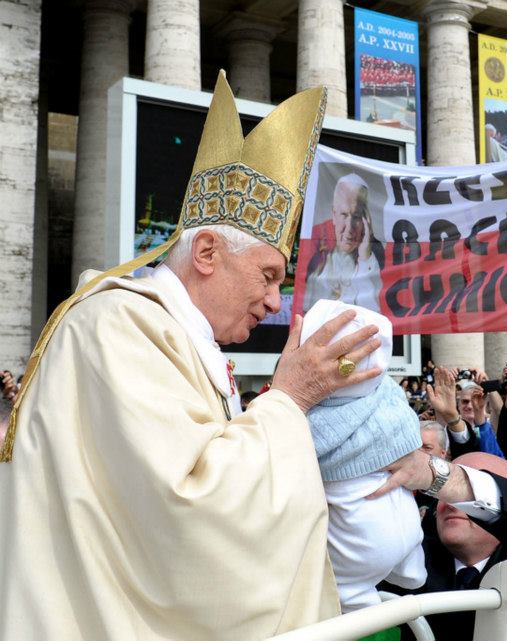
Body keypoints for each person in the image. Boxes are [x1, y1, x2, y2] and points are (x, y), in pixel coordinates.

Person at [0, 74, 386, 639]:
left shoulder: (168, 333)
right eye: (268, 276)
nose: (274, 301)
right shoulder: (118, 326)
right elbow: (191, 510)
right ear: (207, 252)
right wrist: (290, 397)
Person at [381, 451, 507, 641]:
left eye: (470, 495)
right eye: (442, 493)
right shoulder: (407, 556)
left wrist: (443, 478)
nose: (451, 501)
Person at [304, 300, 426, 611]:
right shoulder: (389, 394)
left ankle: (362, 607)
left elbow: (293, 449)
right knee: (406, 545)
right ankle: (412, 570)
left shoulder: (310, 414)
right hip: (409, 524)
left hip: (362, 539)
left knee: (344, 587)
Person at [303, 173, 384, 312]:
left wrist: (365, 259)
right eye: (344, 215)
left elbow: (374, 314)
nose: (349, 228)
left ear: (366, 220)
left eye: (357, 216)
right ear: (334, 215)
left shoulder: (373, 261)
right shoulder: (318, 263)